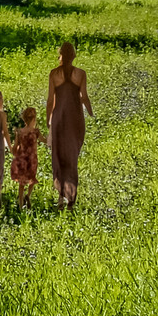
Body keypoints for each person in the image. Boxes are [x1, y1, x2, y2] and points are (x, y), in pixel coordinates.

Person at [45, 42, 93, 208]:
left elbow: (51, 100)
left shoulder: (54, 74)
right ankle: (71, 198)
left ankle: (60, 196)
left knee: (58, 157)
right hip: (75, 118)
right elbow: (84, 97)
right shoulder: (80, 74)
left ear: (61, 55)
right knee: (72, 157)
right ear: (73, 56)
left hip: (59, 118)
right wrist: (91, 112)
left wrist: (48, 119)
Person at [10, 105, 40, 208]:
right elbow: (45, 141)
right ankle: (28, 195)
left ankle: (21, 203)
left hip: (22, 159)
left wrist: (14, 154)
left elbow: (15, 147)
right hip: (32, 159)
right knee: (32, 178)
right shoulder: (36, 132)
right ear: (34, 119)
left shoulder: (20, 132)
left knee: (22, 183)